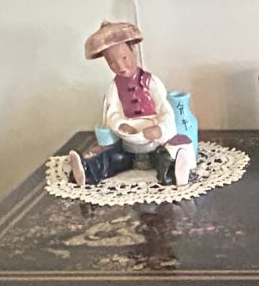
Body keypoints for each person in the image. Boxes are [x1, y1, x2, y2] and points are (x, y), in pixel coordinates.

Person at [68, 21, 194, 187]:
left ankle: (174, 172)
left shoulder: (151, 82)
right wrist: (121, 125)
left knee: (163, 156)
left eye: (124, 58)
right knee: (112, 158)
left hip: (153, 141)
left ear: (132, 51)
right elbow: (111, 113)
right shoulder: (114, 87)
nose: (120, 66)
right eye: (112, 62)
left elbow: (166, 109)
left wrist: (160, 129)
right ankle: (87, 170)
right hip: (129, 143)